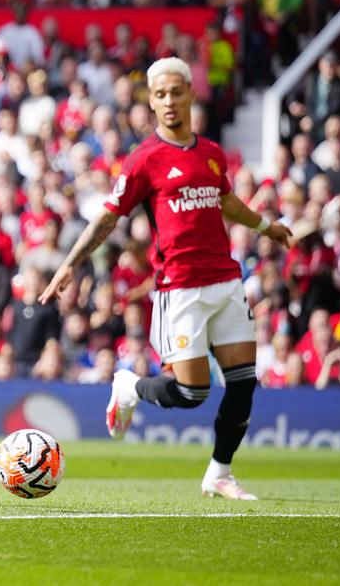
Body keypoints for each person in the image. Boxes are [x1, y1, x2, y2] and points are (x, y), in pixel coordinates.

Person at [40, 57, 294, 500]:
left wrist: (264, 226)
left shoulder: (212, 154)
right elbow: (108, 217)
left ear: (191, 94)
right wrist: (70, 263)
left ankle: (219, 472)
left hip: (226, 280)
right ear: (152, 102)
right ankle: (129, 386)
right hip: (180, 288)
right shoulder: (144, 160)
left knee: (242, 381)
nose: (170, 101)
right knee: (192, 392)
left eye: (177, 91)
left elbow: (226, 202)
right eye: (160, 95)